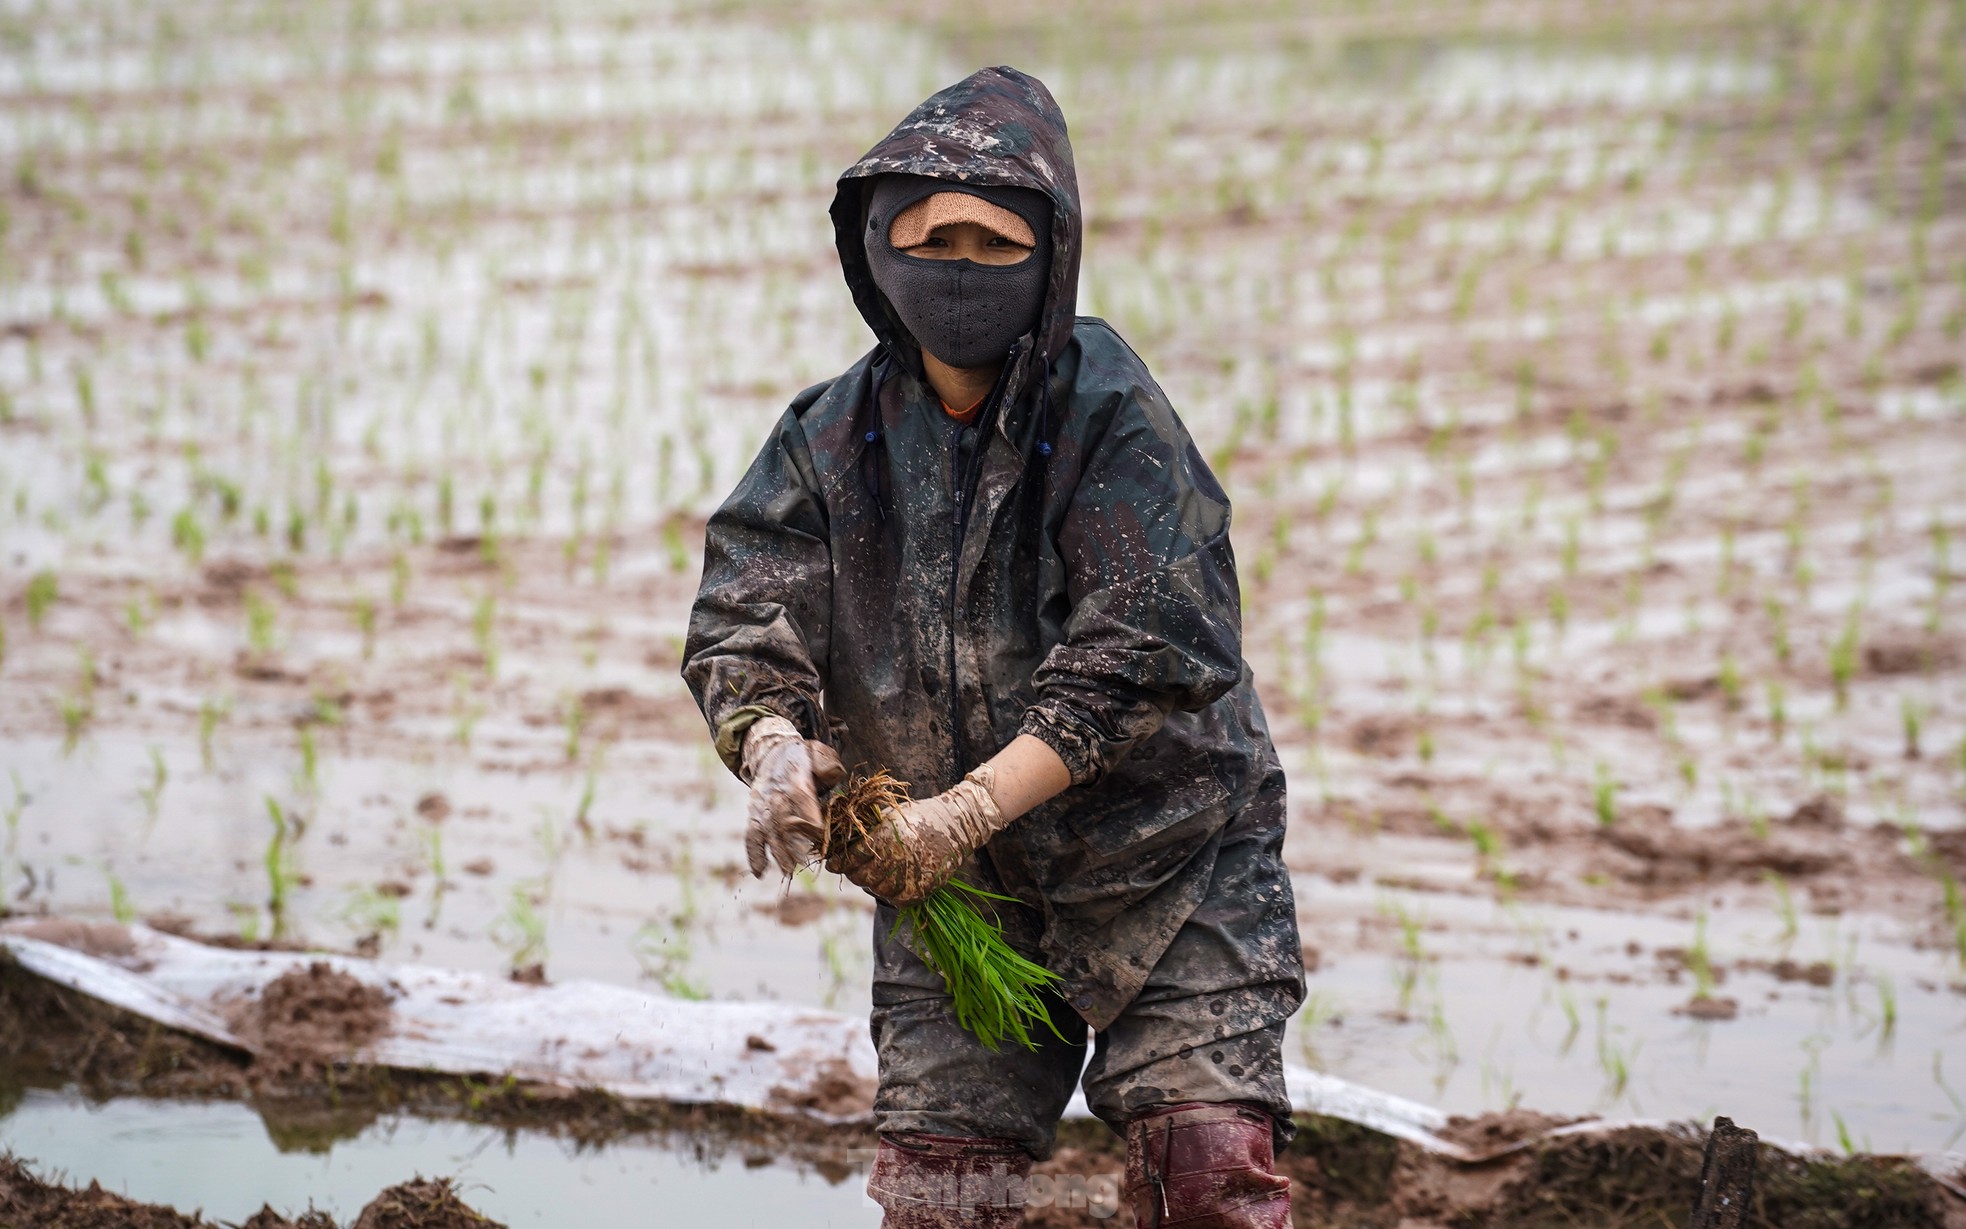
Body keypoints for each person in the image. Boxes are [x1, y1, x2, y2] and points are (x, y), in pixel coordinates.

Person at [683, 66, 1304, 1228]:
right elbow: (746, 611)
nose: (959, 269)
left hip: (1164, 858)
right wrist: (772, 745)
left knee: (1210, 1178)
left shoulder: (1108, 413)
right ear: (874, 252)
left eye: (993, 240)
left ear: (1051, 256)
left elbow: (1136, 646)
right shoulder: (828, 436)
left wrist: (962, 809)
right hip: (952, 887)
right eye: (930, 238)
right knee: (941, 1193)